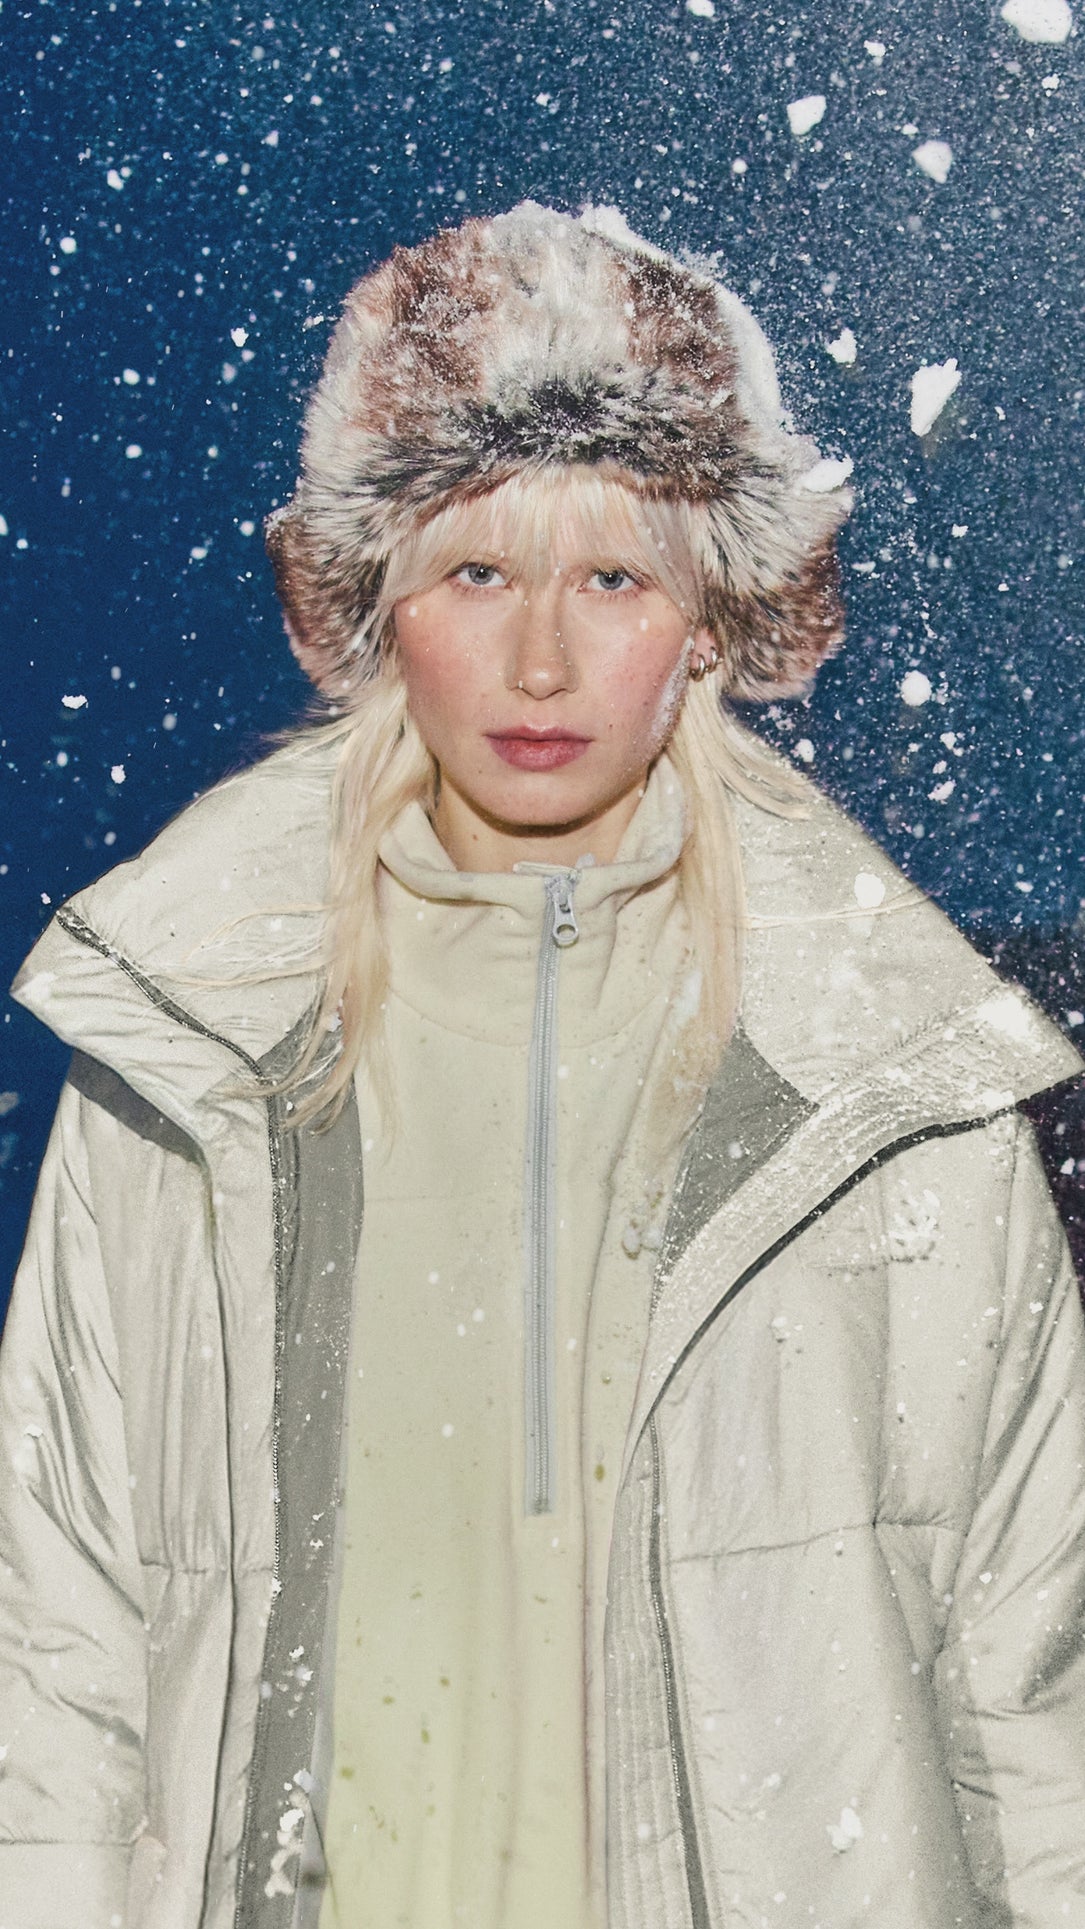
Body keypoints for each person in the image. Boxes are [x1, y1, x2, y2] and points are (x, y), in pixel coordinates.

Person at [2, 201, 1084, 1929]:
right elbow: (55, 1657)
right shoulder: (191, 1051)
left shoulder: (883, 1076)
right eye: (478, 572)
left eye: (612, 578)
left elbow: (1032, 1685)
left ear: (712, 619)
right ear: (376, 609)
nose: (538, 661)